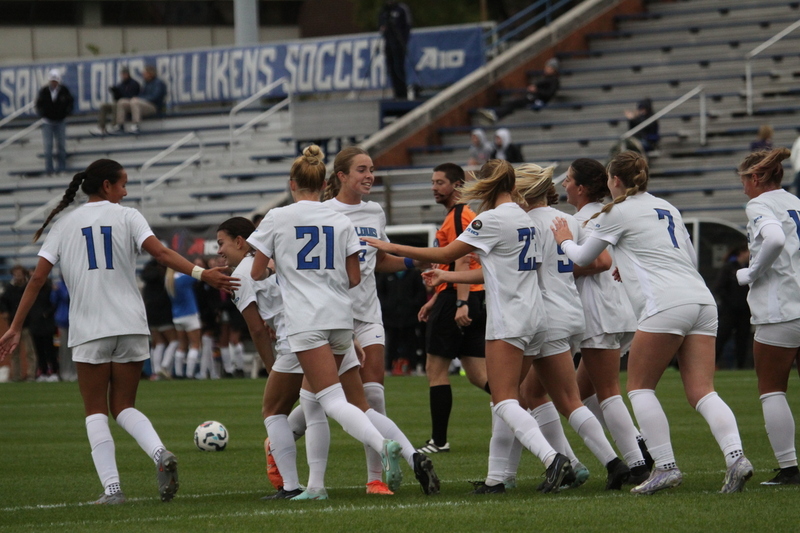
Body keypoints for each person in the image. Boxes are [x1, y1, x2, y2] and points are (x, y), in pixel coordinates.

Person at [0, 158, 237, 504]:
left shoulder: (66, 224)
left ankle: (112, 489)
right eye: (123, 184)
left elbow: (37, 278)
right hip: (130, 324)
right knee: (124, 405)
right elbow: (161, 253)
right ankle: (158, 454)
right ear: (107, 186)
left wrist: (16, 327)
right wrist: (202, 274)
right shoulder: (129, 216)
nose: (125, 191)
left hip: (89, 328)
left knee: (95, 409)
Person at [365, 160, 574, 494]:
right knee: (509, 401)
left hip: (509, 317)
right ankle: (498, 477)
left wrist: (392, 247)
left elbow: (445, 251)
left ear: (489, 184)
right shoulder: (525, 217)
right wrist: (448, 276)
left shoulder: (490, 219)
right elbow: (495, 270)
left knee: (505, 401)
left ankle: (554, 460)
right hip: (536, 315)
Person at [551, 150, 753, 494]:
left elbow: (585, 257)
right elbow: (686, 256)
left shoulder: (615, 211)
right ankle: (737, 458)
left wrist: (564, 240)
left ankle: (666, 467)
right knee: (703, 390)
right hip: (701, 299)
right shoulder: (667, 207)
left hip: (665, 303)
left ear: (615, 180)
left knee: (640, 387)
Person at [217, 216, 439, 500]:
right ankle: (412, 456)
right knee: (358, 406)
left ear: (239, 241)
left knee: (275, 411)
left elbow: (257, 328)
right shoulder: (281, 260)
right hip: (334, 330)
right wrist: (352, 339)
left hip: (300, 341)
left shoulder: (243, 274)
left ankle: (294, 486)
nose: (219, 251)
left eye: (222, 243)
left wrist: (271, 366)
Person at [246, 145, 406, 499]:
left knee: (330, 401)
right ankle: (315, 485)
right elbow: (353, 277)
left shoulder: (277, 217)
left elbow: (257, 273)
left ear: (292, 183)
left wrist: (284, 269)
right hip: (342, 318)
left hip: (307, 319)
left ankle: (383, 446)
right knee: (325, 399)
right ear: (324, 183)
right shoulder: (339, 219)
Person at [559, 158, 651, 480]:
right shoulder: (604, 213)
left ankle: (638, 462)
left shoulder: (585, 218)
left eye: (568, 180)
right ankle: (639, 445)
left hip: (600, 311)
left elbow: (600, 261)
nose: (563, 185)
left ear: (581, 188)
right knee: (582, 394)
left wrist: (552, 271)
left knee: (608, 390)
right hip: (616, 309)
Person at [735, 148, 800, 485]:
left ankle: (789, 468)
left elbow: (773, 238)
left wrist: (752, 272)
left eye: (744, 179)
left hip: (781, 309)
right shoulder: (797, 202)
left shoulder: (761, 203)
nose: (743, 187)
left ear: (757, 177)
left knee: (772, 389)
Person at [415, 162, 490, 454]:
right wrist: (435, 299)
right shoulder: (459, 214)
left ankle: (439, 440)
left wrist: (458, 302)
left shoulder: (459, 214)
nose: (434, 187)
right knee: (476, 373)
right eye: (432, 182)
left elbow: (461, 258)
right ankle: (521, 409)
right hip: (469, 295)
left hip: (461, 297)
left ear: (457, 185)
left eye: (440, 182)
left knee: (436, 369)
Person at [478, 58, 560, 123]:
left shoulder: (554, 81)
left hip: (538, 101)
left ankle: (495, 115)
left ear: (553, 69)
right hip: (533, 98)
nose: (545, 68)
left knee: (514, 102)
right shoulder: (547, 78)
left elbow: (549, 93)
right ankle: (495, 115)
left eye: (548, 67)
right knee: (513, 102)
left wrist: (536, 90)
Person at [712, 245, 751, 369]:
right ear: (742, 252)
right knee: (722, 337)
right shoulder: (729, 268)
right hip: (729, 311)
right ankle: (711, 363)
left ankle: (741, 366)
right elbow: (719, 287)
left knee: (743, 340)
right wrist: (730, 302)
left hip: (745, 311)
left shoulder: (749, 268)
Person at [140, 259, 178, 380]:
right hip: (163, 311)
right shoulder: (163, 276)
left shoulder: (147, 276)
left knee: (158, 343)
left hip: (150, 312)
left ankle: (155, 372)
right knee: (174, 340)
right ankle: (164, 366)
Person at [164, 265, 203, 379]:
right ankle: (190, 374)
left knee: (182, 345)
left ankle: (179, 373)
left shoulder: (168, 280)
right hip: (190, 314)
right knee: (195, 344)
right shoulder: (183, 278)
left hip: (177, 316)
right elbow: (198, 274)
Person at [0, 265, 37, 382]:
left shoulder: (27, 287)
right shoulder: (9, 289)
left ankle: (31, 375)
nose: (17, 276)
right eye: (15, 274)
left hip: (26, 325)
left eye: (19, 273)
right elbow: (3, 302)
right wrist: (5, 311)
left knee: (30, 351)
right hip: (13, 326)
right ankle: (16, 375)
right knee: (14, 352)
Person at [35, 69, 74, 175]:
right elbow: (38, 104)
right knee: (48, 146)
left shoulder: (64, 91)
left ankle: (62, 168)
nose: (54, 83)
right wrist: (43, 114)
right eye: (52, 80)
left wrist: (66, 113)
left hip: (60, 121)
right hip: (48, 122)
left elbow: (71, 102)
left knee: (61, 145)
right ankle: (49, 169)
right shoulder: (44, 91)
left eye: (55, 81)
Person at [90, 67, 141, 136]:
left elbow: (132, 97)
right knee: (104, 106)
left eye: (125, 74)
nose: (123, 75)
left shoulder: (134, 84)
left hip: (127, 105)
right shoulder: (121, 84)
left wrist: (121, 95)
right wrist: (115, 92)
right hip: (120, 103)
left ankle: (114, 125)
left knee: (117, 104)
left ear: (128, 74)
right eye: (122, 74)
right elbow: (117, 98)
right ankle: (101, 127)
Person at [115, 65, 166, 134]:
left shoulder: (159, 83)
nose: (143, 75)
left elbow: (155, 97)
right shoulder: (146, 83)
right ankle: (120, 125)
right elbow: (140, 95)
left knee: (135, 101)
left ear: (150, 73)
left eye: (145, 73)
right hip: (143, 104)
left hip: (153, 106)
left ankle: (135, 125)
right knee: (122, 102)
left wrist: (140, 99)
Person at [379, 0, 412, 100]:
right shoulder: (384, 11)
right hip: (389, 45)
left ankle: (403, 95)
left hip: (399, 45)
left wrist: (403, 42)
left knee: (399, 69)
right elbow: (380, 26)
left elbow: (407, 25)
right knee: (391, 70)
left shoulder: (401, 9)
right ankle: (396, 94)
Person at [29, 277, 58, 381]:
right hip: (35, 325)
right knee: (39, 351)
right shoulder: (30, 290)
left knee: (50, 350)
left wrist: (47, 314)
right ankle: (43, 372)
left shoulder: (50, 290)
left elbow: (55, 304)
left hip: (47, 325)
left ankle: (54, 371)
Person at [51, 273, 76, 381]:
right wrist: (55, 291)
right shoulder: (59, 285)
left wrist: (59, 290)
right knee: (63, 349)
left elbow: (67, 297)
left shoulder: (73, 284)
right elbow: (53, 300)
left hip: (75, 321)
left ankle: (76, 373)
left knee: (76, 349)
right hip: (62, 321)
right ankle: (65, 373)